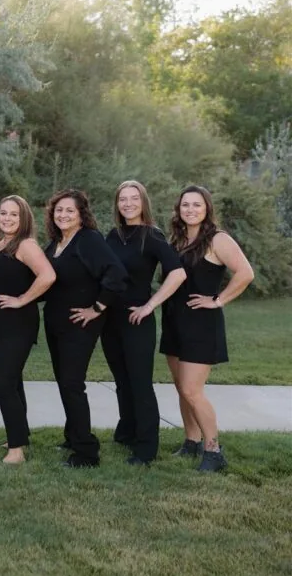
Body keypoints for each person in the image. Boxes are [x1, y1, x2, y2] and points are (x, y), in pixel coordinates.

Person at [161, 185, 254, 472]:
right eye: (185, 205)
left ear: (207, 208)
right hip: (174, 321)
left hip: (201, 323)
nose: (190, 209)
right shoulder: (176, 240)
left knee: (192, 390)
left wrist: (218, 300)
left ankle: (213, 451)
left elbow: (245, 273)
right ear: (178, 209)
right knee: (181, 388)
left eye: (196, 205)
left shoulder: (217, 239)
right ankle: (192, 441)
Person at [102, 181, 186, 466]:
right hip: (109, 319)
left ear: (143, 202)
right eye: (122, 199)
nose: (127, 203)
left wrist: (151, 305)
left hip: (137, 319)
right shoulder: (112, 235)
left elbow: (177, 274)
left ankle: (146, 448)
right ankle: (127, 431)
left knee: (139, 382)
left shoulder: (153, 235)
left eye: (133, 198)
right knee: (122, 381)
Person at [42, 189, 127, 468]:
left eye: (70, 210)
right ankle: (73, 436)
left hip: (80, 324)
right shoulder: (55, 242)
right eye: (59, 210)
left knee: (72, 383)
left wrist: (98, 308)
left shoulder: (88, 240)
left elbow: (115, 273)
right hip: (55, 321)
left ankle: (86, 452)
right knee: (64, 382)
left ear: (81, 215)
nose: (63, 215)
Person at [0, 195, 56, 464]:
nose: (7, 219)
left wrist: (22, 299)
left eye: (14, 215)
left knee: (4, 383)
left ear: (24, 219)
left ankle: (17, 451)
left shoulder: (26, 244)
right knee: (13, 382)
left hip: (17, 325)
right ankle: (18, 435)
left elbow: (48, 276)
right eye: (3, 214)